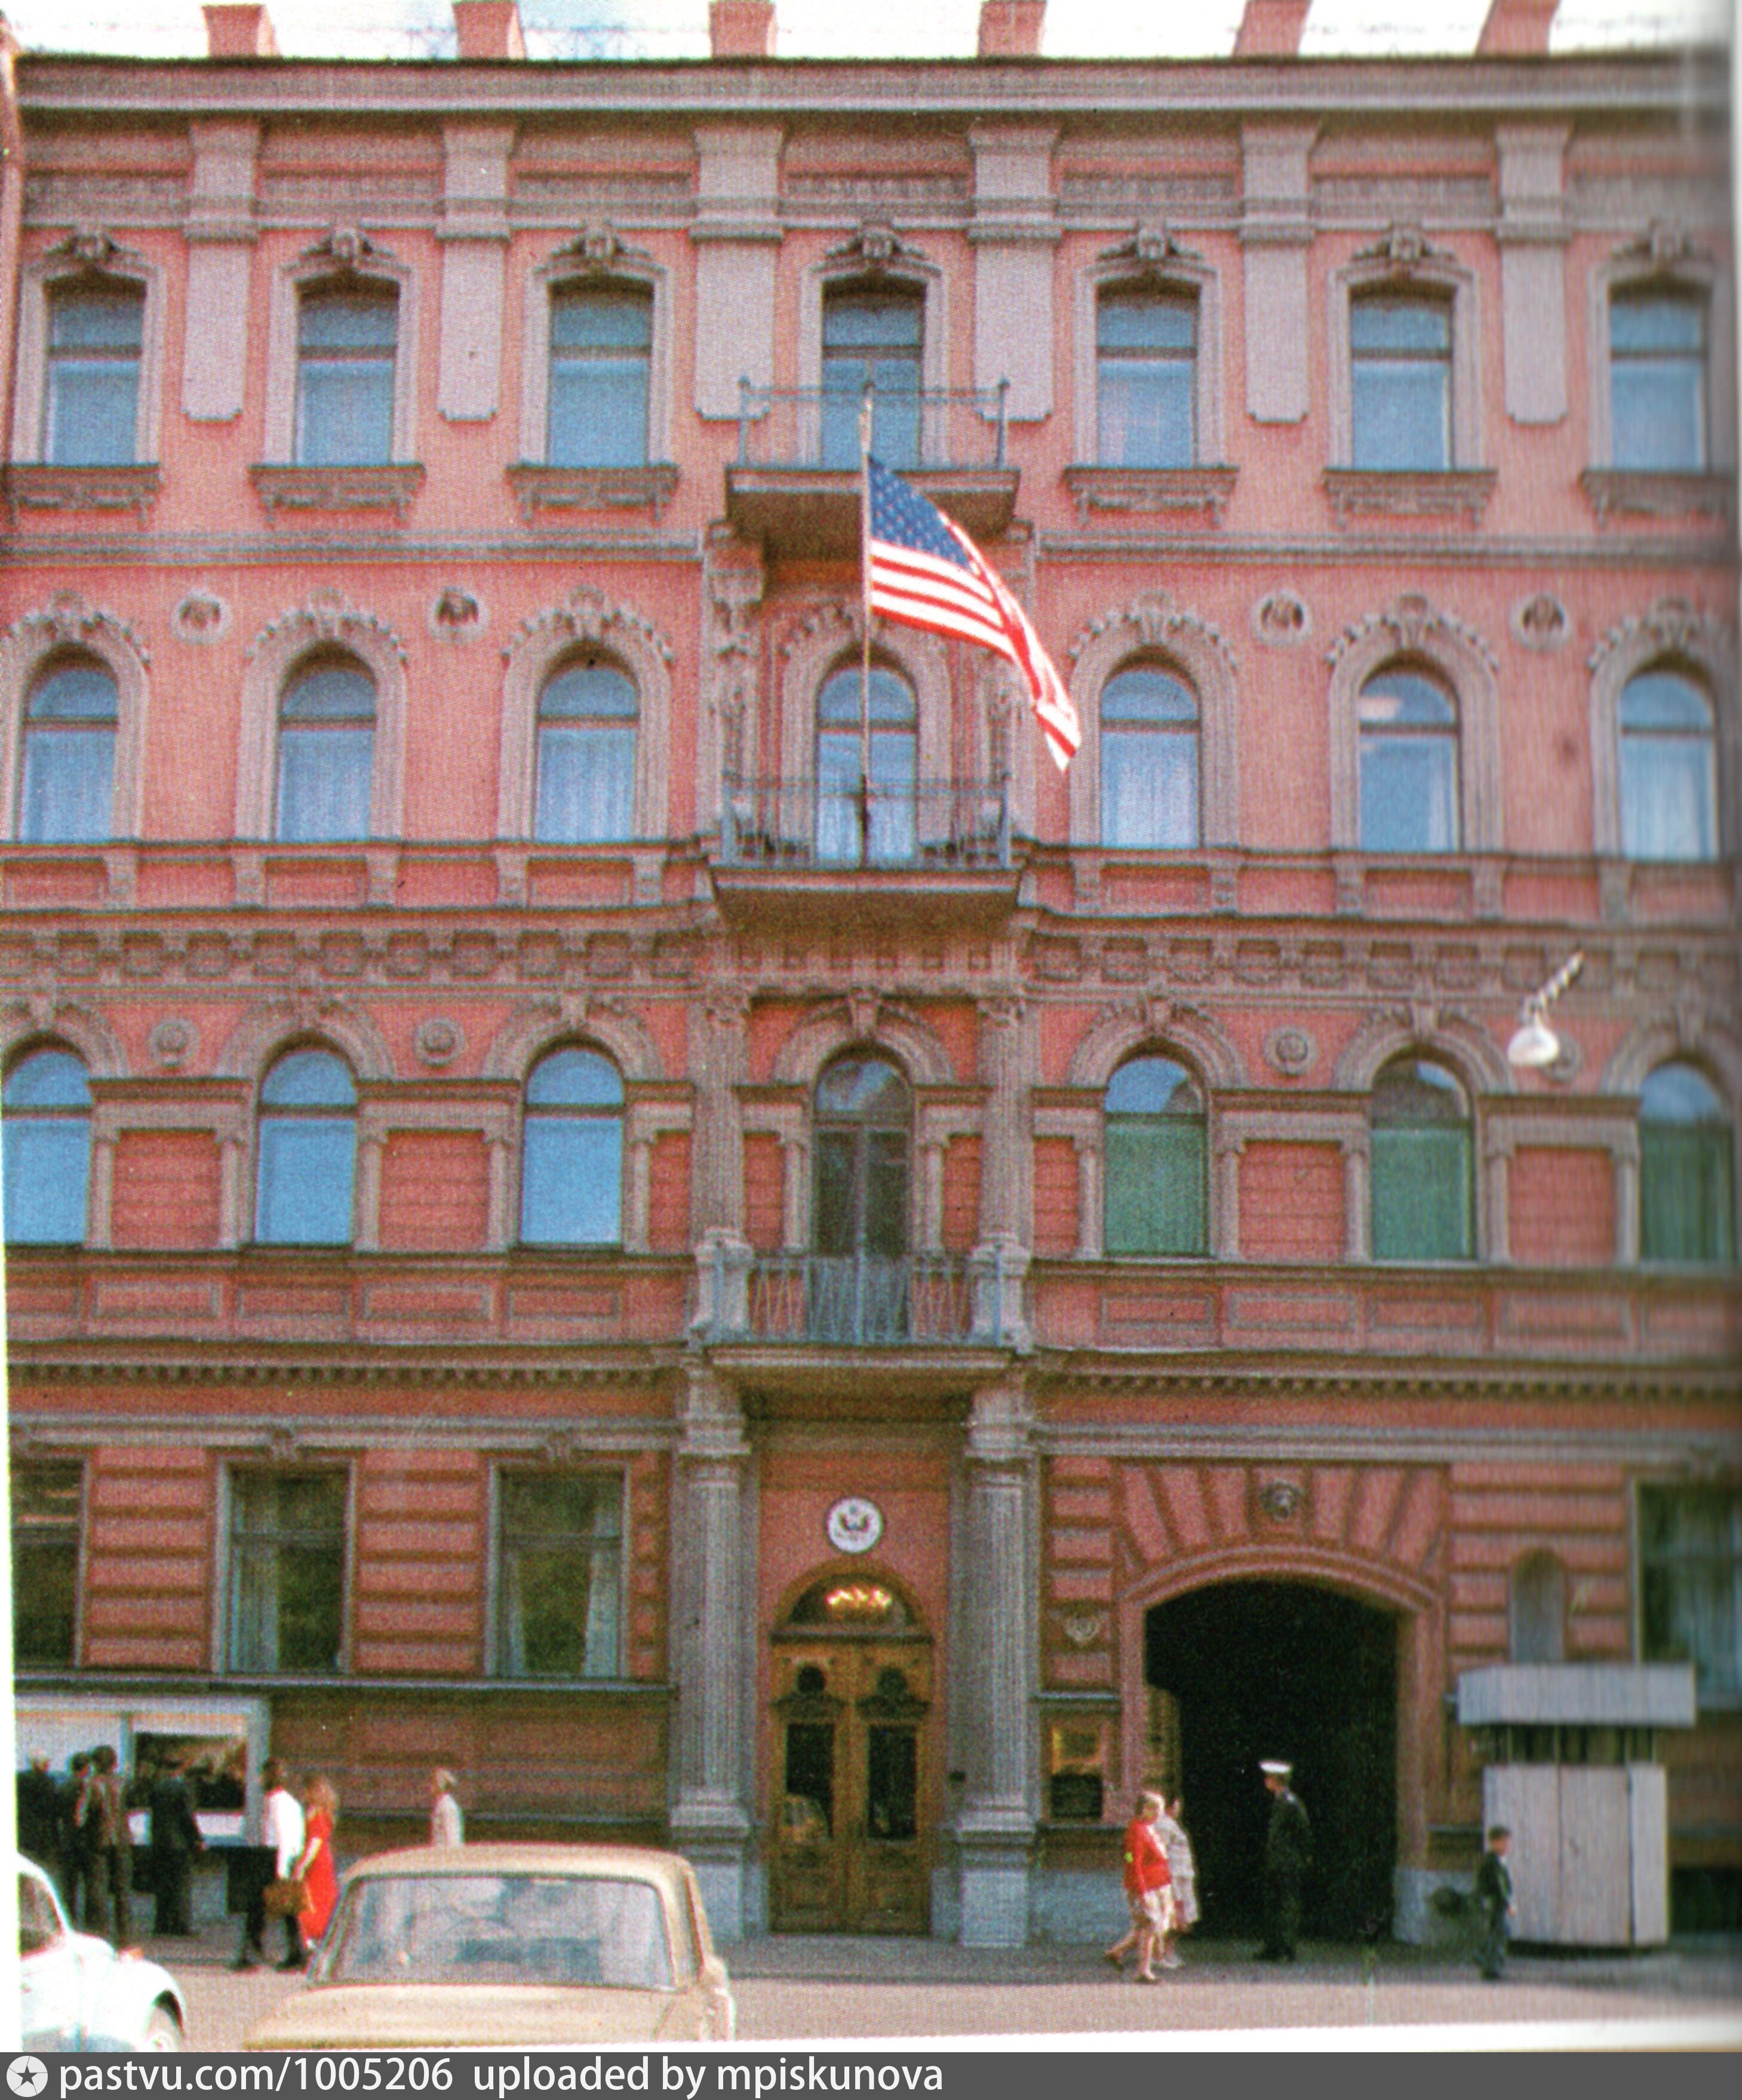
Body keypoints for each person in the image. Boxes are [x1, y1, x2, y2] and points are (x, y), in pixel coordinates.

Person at [234, 1758, 306, 1972]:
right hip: (287, 1857)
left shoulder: (276, 1803)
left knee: (257, 1907)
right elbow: (297, 1835)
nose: (259, 1780)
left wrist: (280, 1869)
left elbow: (282, 1836)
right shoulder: (289, 1801)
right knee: (288, 1909)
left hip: (274, 1858)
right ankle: (296, 1953)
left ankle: (251, 1953)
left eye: (262, 1776)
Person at [1102, 1790, 1172, 1982]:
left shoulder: (1148, 1828)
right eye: (1156, 1808)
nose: (1160, 1812)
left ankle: (1116, 1952)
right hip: (1146, 1887)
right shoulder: (1137, 1830)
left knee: (1146, 1926)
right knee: (1149, 1926)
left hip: (1156, 1885)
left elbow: (1131, 1857)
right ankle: (1143, 1971)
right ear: (1145, 1809)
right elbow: (1131, 1860)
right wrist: (1140, 1892)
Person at [1257, 1758, 1311, 1963]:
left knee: (1287, 1905)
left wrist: (1298, 1858)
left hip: (1288, 1863)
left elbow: (1303, 1833)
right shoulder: (1280, 1801)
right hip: (1277, 1862)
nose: (1266, 1781)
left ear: (1276, 1780)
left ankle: (1287, 1949)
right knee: (1273, 1904)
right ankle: (1272, 1947)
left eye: (1269, 1778)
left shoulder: (1290, 1803)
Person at [79, 1745, 133, 1947]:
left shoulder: (90, 1784)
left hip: (98, 1839)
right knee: (122, 1889)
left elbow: (82, 1816)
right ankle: (124, 1934)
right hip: (122, 1838)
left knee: (97, 1887)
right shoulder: (123, 1783)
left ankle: (99, 1932)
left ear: (95, 1763)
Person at [148, 1753, 205, 1938]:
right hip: (180, 1843)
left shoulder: (157, 1787)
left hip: (160, 1842)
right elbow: (187, 1817)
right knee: (181, 1884)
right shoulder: (183, 1789)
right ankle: (181, 1924)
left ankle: (162, 1923)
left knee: (163, 1884)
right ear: (182, 1768)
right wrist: (198, 1839)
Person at [291, 1777, 341, 1964]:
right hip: (319, 1861)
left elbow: (315, 1843)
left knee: (312, 1902)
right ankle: (313, 1943)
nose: (302, 1794)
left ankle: (313, 1943)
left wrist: (302, 1866)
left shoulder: (318, 1815)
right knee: (312, 1902)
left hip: (318, 1865)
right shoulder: (315, 1812)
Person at [1154, 1796, 1199, 1967]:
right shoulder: (1163, 1825)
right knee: (1173, 1919)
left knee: (1180, 1919)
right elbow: (1160, 1853)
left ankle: (1165, 1953)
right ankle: (1163, 1954)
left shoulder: (1171, 1824)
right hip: (1173, 1877)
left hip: (1181, 1877)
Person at [1474, 1825, 1516, 1981]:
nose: (1508, 1847)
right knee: (1497, 1934)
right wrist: (1508, 1904)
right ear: (1495, 1842)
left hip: (1492, 1902)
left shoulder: (1494, 1860)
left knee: (1497, 1933)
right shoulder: (1494, 1862)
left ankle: (1486, 1959)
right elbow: (1500, 1886)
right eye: (1505, 1843)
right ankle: (1490, 1966)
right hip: (1495, 1903)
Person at [59, 1752, 94, 1924]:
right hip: (85, 1840)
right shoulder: (86, 1787)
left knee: (69, 1884)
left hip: (67, 1838)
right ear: (86, 1768)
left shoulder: (63, 1786)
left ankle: (69, 1917)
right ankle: (89, 1919)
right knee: (90, 1882)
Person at [17, 1757, 61, 1879]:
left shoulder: (19, 1779)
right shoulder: (48, 1782)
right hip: (43, 1835)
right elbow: (52, 1808)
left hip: (22, 1832)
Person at [428, 1767, 463, 1847]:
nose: (430, 1786)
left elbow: (452, 1838)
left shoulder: (448, 1806)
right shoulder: (440, 1805)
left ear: (439, 1785)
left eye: (433, 1783)